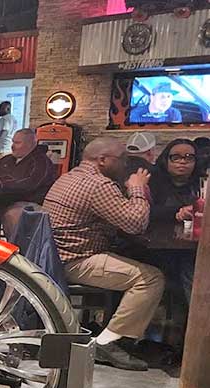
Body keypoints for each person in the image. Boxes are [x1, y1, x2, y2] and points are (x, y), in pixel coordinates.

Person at [43, 137, 161, 371]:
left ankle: (112, 330)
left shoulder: (70, 176)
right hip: (76, 260)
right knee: (150, 278)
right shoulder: (98, 185)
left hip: (55, 255)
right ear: (103, 160)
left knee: (136, 263)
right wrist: (137, 187)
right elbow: (135, 223)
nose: (127, 165)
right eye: (123, 159)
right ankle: (109, 342)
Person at [145, 139, 201, 305]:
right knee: (186, 266)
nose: (182, 161)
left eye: (189, 157)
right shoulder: (152, 180)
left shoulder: (201, 182)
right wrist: (177, 212)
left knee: (193, 265)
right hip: (153, 246)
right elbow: (147, 211)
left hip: (192, 245)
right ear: (166, 160)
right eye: (176, 157)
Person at [0, 128, 58, 239]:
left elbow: (29, 185)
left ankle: (18, 252)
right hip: (3, 200)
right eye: (13, 142)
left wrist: (3, 183)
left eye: (17, 143)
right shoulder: (6, 160)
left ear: (30, 144)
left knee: (13, 214)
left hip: (30, 201)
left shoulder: (41, 161)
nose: (12, 146)